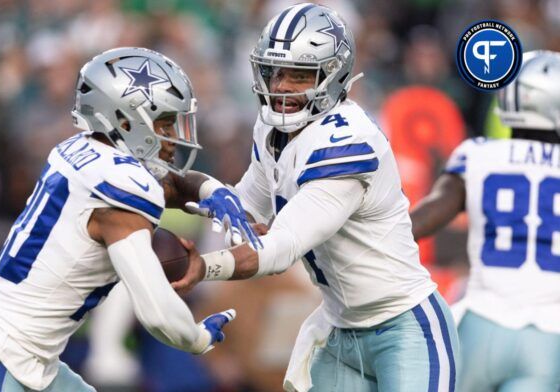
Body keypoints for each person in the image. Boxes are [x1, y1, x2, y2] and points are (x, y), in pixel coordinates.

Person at [0, 47, 252, 391]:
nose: (174, 137)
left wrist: (210, 190)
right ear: (124, 121)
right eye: (165, 123)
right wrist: (198, 337)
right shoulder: (122, 194)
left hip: (27, 356)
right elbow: (159, 314)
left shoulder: (78, 150)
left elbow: (168, 185)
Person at [173, 4, 459, 391]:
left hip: (403, 327)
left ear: (333, 76)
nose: (282, 87)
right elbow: (245, 209)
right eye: (275, 72)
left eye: (300, 75)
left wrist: (207, 266)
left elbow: (280, 248)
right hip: (338, 330)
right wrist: (167, 195)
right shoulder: (271, 128)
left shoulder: (346, 142)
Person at [410, 50, 560, 392]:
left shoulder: (478, 154)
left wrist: (376, 237)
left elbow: (431, 213)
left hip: (482, 321)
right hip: (549, 337)